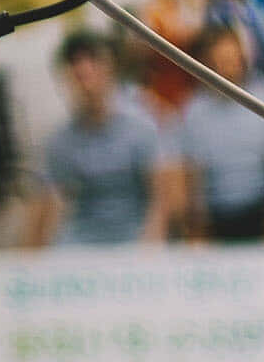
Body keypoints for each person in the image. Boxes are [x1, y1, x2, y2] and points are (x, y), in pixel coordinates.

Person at [26, 30, 171, 247]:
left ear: (109, 70)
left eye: (93, 68)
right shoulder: (59, 140)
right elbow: (49, 201)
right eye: (77, 74)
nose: (86, 82)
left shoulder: (141, 127)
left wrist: (151, 245)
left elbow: (160, 198)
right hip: (82, 237)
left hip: (133, 233)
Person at [168, 23, 264, 242]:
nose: (228, 64)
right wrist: (198, 232)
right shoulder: (192, 113)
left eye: (232, 56)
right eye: (221, 58)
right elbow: (191, 181)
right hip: (215, 221)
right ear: (208, 62)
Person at [134, 0, 206, 115]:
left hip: (199, 84)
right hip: (166, 84)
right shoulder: (155, 6)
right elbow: (148, 45)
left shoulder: (201, 0)